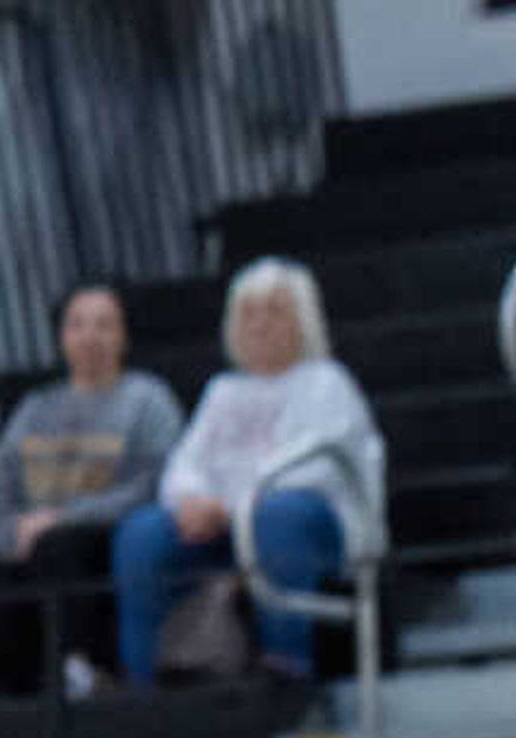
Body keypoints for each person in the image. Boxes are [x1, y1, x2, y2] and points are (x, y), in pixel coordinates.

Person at [111, 258, 383, 689]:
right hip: (224, 528)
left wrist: (233, 511)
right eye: (248, 313)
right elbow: (185, 465)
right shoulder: (223, 391)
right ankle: (142, 679)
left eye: (274, 311)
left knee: (279, 516)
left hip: (305, 528)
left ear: (302, 319)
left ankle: (288, 664)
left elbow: (318, 473)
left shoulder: (327, 382)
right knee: (141, 533)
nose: (259, 324)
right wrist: (194, 503)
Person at [0, 284, 182, 697]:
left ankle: (84, 670)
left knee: (60, 547)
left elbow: (156, 483)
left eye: (104, 325)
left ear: (123, 337)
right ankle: (51, 702)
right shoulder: (35, 408)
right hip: (36, 550)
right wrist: (13, 535)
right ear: (62, 338)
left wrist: (60, 520)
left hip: (110, 544)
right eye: (77, 325)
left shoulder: (148, 399)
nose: (90, 336)